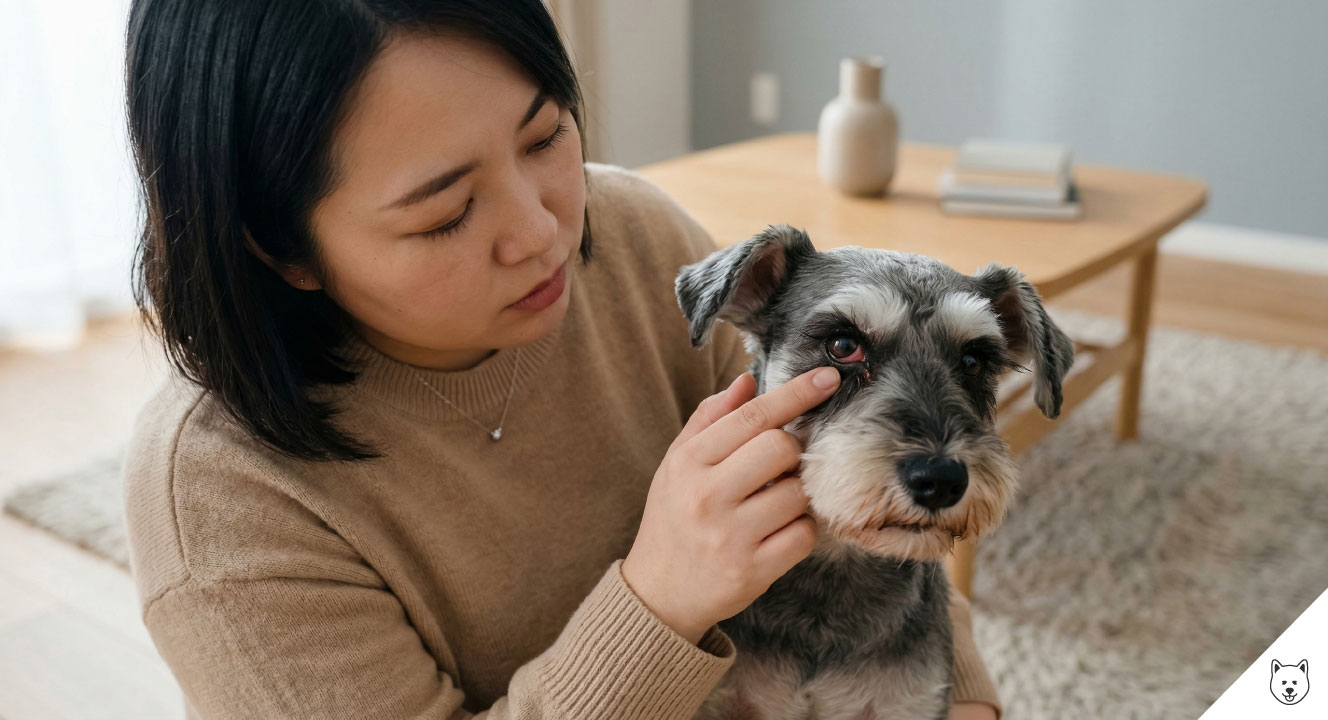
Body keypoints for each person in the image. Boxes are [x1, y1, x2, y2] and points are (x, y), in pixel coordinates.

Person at [120, 1, 1004, 718]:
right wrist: (659, 600)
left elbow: (871, 508)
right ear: (280, 250)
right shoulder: (220, 508)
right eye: (445, 213)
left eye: (544, 138)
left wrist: (960, 697)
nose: (546, 233)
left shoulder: (632, 235)